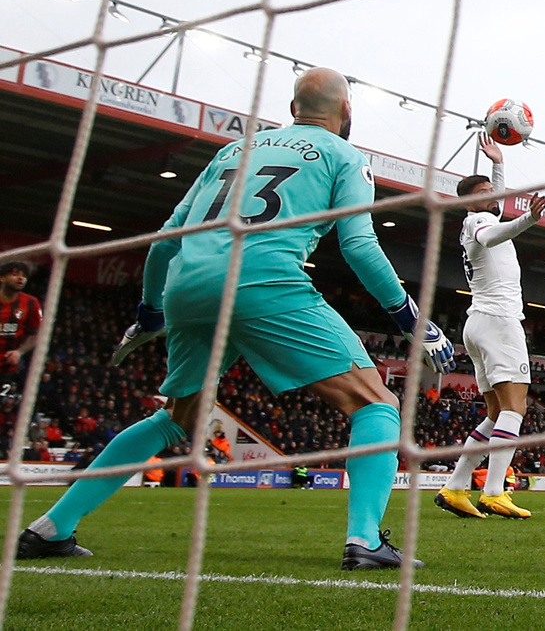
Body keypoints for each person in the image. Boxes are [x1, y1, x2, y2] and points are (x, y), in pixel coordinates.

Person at [17, 68, 454, 570]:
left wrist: (149, 313)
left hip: (189, 284)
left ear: (292, 109)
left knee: (175, 419)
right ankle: (365, 541)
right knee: (376, 402)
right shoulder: (344, 156)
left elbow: (164, 240)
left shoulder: (232, 151)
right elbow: (358, 245)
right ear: (347, 110)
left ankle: (51, 528)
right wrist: (412, 321)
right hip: (263, 280)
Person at [434, 134, 545, 521]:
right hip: (499, 321)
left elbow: (492, 207)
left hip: (478, 322)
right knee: (515, 408)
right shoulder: (478, 221)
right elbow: (491, 231)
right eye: (483, 193)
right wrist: (528, 219)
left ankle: (454, 487)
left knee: (496, 414)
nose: (492, 196)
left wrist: (498, 164)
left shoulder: (479, 215)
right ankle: (495, 491)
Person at [0, 261, 43, 374]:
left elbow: (37, 334)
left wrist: (19, 352)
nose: (21, 278)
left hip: (7, 368)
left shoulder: (31, 303)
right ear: (2, 278)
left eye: (24, 276)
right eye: (15, 274)